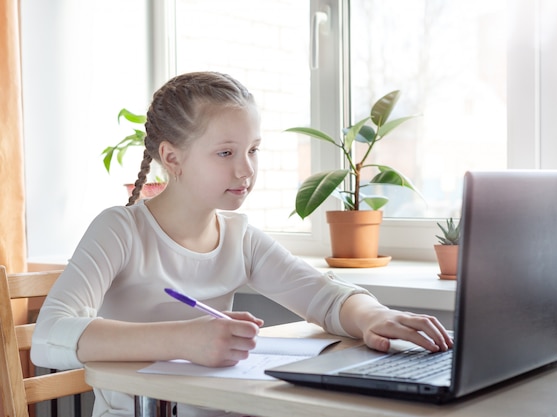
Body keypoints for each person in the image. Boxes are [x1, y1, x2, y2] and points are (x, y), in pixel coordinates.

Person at [31, 71, 453, 417]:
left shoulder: (239, 235)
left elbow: (325, 297)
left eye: (253, 150)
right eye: (225, 153)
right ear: (172, 158)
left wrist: (373, 317)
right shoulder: (120, 230)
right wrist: (183, 340)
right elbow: (50, 333)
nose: (245, 170)